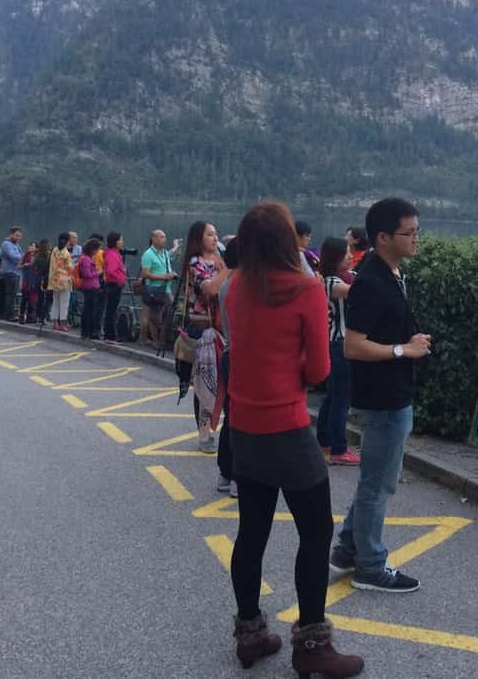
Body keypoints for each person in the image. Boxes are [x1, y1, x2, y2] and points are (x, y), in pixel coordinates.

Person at [225, 202, 362, 677]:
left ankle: (251, 634)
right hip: (287, 428)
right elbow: (320, 370)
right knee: (316, 532)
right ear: (288, 241)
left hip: (244, 428)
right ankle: (312, 645)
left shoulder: (234, 286)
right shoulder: (306, 289)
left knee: (252, 532)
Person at [330, 197, 430, 593]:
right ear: (384, 237)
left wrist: (409, 341)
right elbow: (353, 346)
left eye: (417, 231)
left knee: (375, 478)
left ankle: (349, 549)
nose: (416, 239)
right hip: (385, 398)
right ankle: (370, 566)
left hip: (391, 393)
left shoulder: (388, 273)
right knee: (379, 483)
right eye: (410, 233)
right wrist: (405, 350)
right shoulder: (372, 281)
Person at [184, 220, 232, 452]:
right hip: (203, 329)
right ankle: (204, 434)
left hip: (224, 329)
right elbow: (211, 289)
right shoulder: (196, 263)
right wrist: (230, 266)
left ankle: (224, 430)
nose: (215, 238)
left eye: (216, 234)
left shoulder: (221, 260)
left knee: (225, 381)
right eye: (210, 234)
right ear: (199, 238)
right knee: (205, 384)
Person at [316, 237, 359, 466]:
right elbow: (359, 292)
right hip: (340, 344)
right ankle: (338, 448)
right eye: (346, 253)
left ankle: (324, 440)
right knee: (342, 398)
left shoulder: (342, 278)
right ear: (335, 257)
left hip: (336, 344)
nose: (351, 256)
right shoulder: (331, 282)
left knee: (333, 396)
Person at [216, 237, 239, 497]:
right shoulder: (240, 286)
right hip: (240, 356)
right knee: (238, 418)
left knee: (231, 416)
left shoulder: (226, 284)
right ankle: (236, 476)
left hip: (229, 352)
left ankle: (226, 473)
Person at [139, 230, 179, 347]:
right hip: (154, 290)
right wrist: (164, 277)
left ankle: (162, 341)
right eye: (161, 237)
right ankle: (156, 342)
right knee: (154, 317)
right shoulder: (148, 254)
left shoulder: (164, 253)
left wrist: (176, 246)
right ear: (154, 239)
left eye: (164, 237)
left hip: (166, 289)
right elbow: (146, 274)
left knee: (169, 314)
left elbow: (171, 254)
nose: (164, 239)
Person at [101, 232, 127, 341]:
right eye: (121, 240)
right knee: (111, 311)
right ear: (115, 242)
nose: (122, 242)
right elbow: (111, 270)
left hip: (113, 284)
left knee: (111, 310)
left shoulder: (114, 253)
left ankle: (110, 334)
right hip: (114, 285)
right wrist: (119, 280)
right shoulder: (112, 254)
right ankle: (110, 336)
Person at [0, 226, 23, 321]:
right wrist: (22, 257)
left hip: (15, 272)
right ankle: (9, 316)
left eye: (20, 236)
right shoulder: (7, 244)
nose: (18, 238)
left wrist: (21, 257)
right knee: (11, 295)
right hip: (9, 272)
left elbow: (18, 256)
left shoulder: (16, 245)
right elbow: (13, 256)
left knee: (6, 294)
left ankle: (0, 314)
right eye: (16, 235)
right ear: (11, 234)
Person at [48, 233, 74, 333]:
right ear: (68, 241)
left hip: (54, 280)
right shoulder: (66, 253)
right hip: (64, 281)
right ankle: (62, 324)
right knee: (64, 303)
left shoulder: (54, 250)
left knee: (55, 302)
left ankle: (55, 323)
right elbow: (69, 267)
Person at [77, 238, 102, 339]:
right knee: (89, 310)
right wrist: (98, 273)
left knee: (89, 309)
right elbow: (87, 274)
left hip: (90, 286)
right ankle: (88, 331)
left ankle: (87, 331)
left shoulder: (86, 258)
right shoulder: (86, 259)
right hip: (90, 286)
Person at [27, 239, 50, 325]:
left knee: (40, 299)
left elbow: (33, 266)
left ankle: (39, 317)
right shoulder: (49, 257)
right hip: (46, 278)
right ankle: (44, 316)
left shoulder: (37, 257)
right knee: (47, 299)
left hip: (38, 278)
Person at [18, 242, 36, 324]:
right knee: (24, 298)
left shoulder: (37, 256)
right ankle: (21, 316)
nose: (31, 247)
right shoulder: (24, 255)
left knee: (32, 299)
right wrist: (26, 265)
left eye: (33, 246)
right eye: (30, 245)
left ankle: (30, 316)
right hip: (26, 279)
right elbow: (19, 266)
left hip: (34, 280)